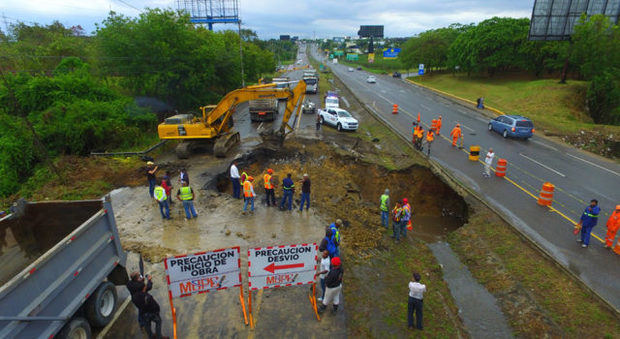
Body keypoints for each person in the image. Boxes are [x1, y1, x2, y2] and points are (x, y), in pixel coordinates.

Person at [127, 272, 168, 339]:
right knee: (158, 322)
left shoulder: (132, 289)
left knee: (147, 325)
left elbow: (140, 287)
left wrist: (141, 281)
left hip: (143, 312)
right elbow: (148, 287)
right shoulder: (145, 295)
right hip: (151, 311)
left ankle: (151, 336)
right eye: (139, 277)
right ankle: (159, 336)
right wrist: (149, 280)